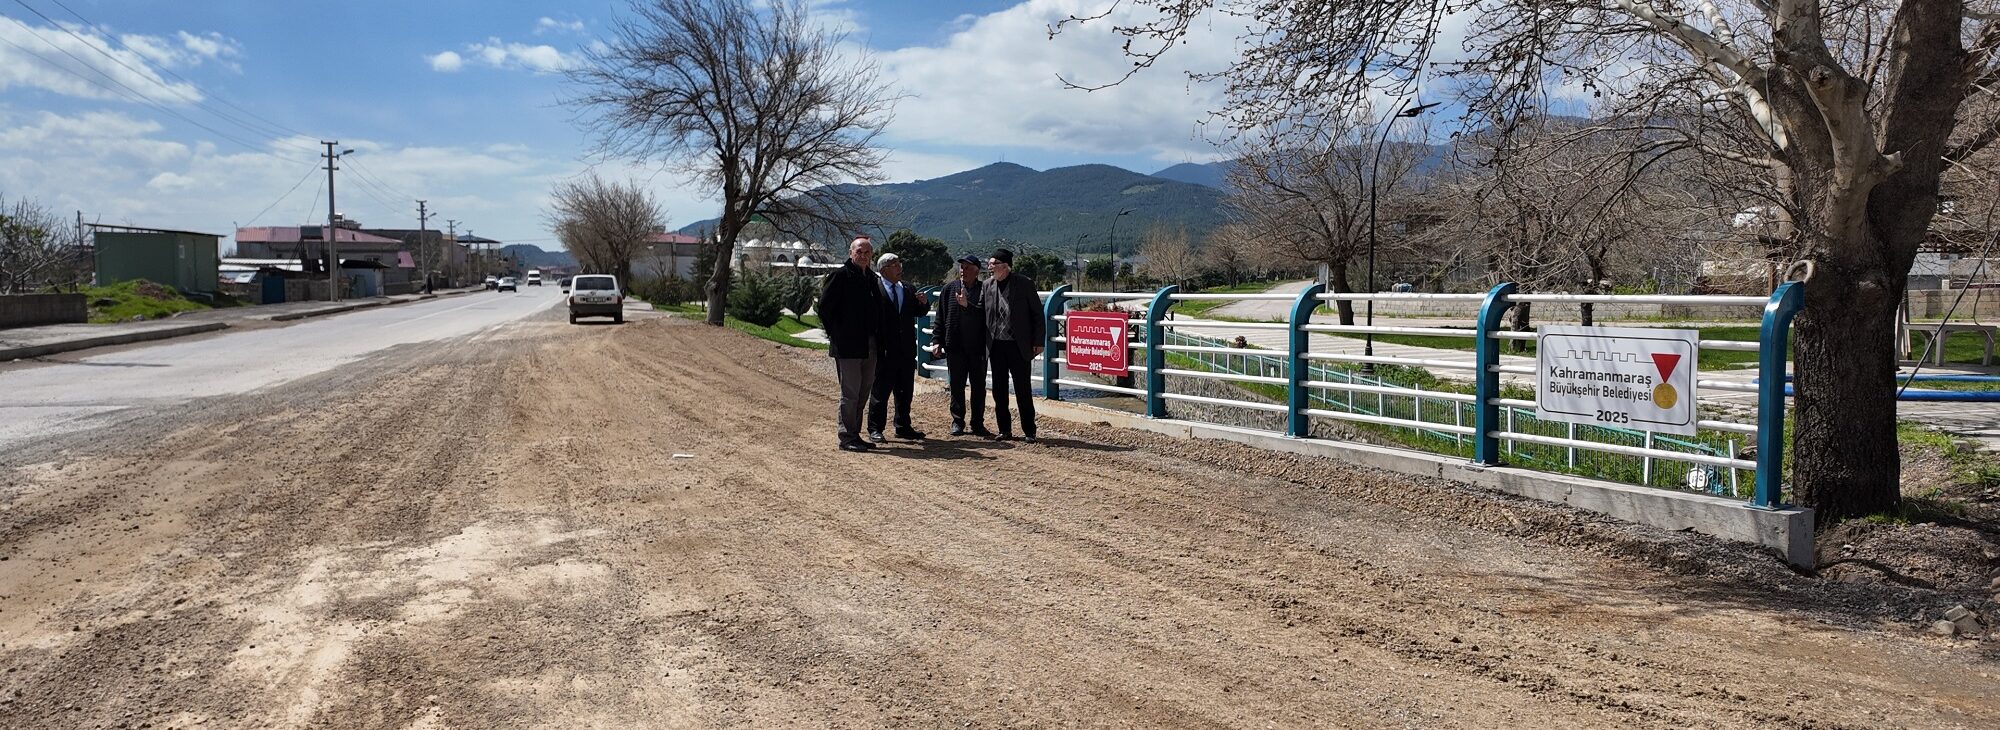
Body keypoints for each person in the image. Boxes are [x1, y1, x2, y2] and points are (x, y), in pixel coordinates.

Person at [818, 236, 885, 452]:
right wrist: (836, 334)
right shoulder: (840, 276)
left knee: (864, 392)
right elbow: (824, 308)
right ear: (850, 253)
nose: (863, 256)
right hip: (847, 346)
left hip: (870, 345)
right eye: (859, 252)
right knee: (850, 393)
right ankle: (846, 437)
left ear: (871, 256)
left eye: (867, 253)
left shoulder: (872, 279)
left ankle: (855, 434)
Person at [983, 248, 1044, 443]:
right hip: (997, 345)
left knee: (1023, 389)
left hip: (1019, 345)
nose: (990, 267)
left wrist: (1038, 341)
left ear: (1005, 265)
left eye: (993, 264)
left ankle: (1029, 431)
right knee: (999, 390)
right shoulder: (987, 285)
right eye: (990, 264)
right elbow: (981, 312)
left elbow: (1037, 314)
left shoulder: (1024, 284)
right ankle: (1004, 430)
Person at [867, 253, 929, 442]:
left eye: (899, 263)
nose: (900, 268)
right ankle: (875, 428)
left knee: (905, 391)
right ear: (884, 269)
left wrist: (924, 304)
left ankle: (903, 426)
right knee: (880, 392)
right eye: (895, 265)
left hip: (906, 350)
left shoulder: (908, 289)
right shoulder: (874, 289)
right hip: (885, 351)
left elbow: (918, 312)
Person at [932, 254, 990, 437]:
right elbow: (941, 317)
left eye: (967, 267)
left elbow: (986, 316)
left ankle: (977, 423)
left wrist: (967, 305)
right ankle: (957, 422)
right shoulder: (949, 289)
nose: (963, 271)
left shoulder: (984, 290)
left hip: (978, 347)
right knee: (956, 386)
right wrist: (936, 341)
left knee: (979, 387)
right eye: (962, 267)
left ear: (977, 271)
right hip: (955, 346)